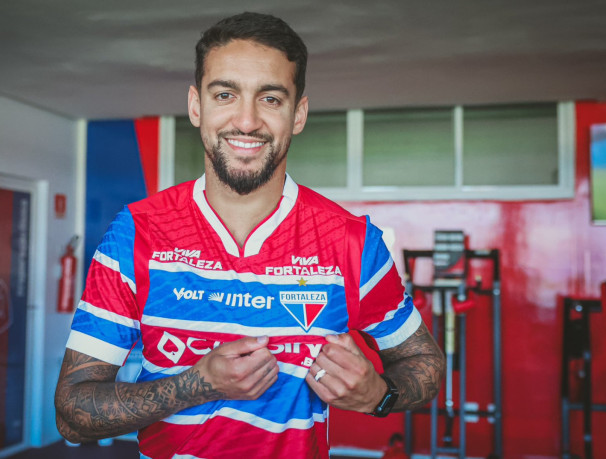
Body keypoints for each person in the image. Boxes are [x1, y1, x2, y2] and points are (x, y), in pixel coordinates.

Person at [55, 12, 445, 458]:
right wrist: (197, 384)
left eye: (270, 99)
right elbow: (72, 415)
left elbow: (425, 364)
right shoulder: (137, 233)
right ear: (196, 106)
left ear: (298, 115)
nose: (246, 121)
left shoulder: (351, 243)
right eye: (225, 94)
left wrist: (379, 395)